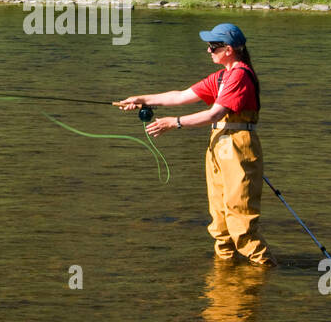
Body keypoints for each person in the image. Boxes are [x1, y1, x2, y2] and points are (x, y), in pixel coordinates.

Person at [114, 23, 276, 267]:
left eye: (213, 46)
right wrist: (141, 99)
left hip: (239, 149)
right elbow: (180, 96)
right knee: (220, 226)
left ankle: (264, 274)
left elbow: (213, 114)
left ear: (229, 49)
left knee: (241, 226)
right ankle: (225, 283)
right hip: (218, 148)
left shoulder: (240, 75)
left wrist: (174, 123)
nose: (208, 50)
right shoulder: (222, 76)